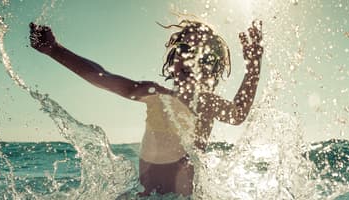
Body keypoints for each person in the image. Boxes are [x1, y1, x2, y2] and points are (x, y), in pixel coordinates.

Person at [29, 19, 263, 196]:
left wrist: (253, 69)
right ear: (173, 59)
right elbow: (101, 76)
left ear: (211, 68)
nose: (189, 58)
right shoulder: (154, 94)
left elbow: (238, 113)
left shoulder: (207, 104)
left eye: (201, 55)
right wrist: (55, 50)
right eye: (183, 50)